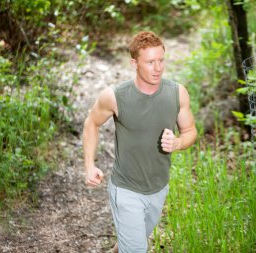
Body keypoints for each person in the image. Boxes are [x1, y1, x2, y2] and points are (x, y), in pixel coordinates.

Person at [82, 31, 197, 253]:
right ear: (134, 63)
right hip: (126, 189)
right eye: (150, 62)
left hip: (158, 188)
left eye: (161, 60)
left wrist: (178, 143)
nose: (158, 68)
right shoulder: (115, 97)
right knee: (136, 249)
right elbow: (91, 123)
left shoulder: (177, 93)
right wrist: (89, 165)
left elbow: (190, 130)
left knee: (130, 243)